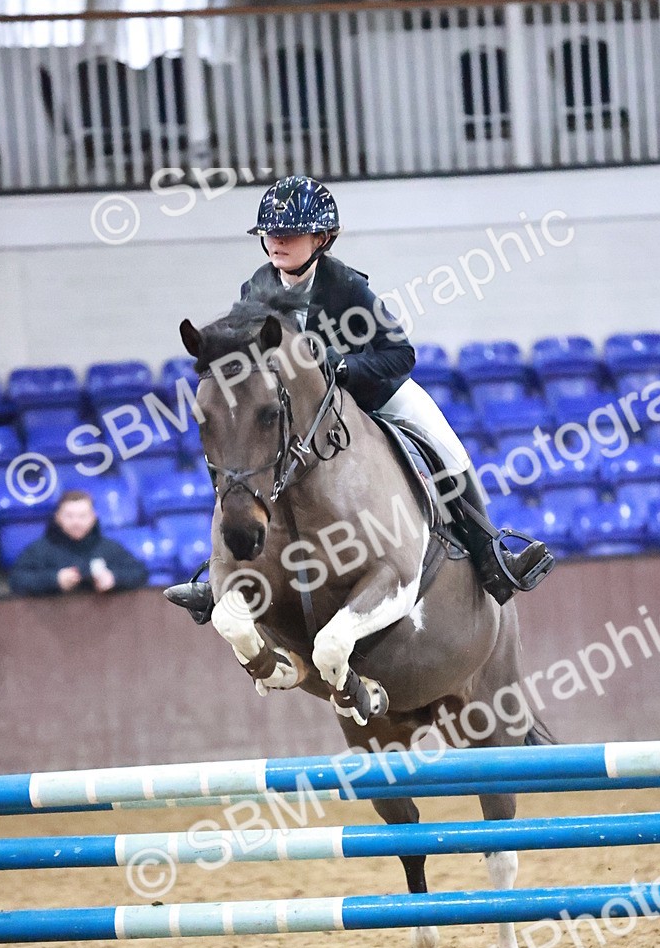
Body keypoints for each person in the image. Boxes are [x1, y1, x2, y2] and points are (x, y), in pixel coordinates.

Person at [165, 175, 554, 623]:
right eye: (270, 235)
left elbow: (399, 354)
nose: (276, 243)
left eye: (288, 235)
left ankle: (490, 554)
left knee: (447, 446)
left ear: (321, 237)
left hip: (370, 394)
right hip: (303, 416)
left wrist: (342, 366)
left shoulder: (347, 287)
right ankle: (218, 576)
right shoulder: (255, 288)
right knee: (240, 456)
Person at [9, 489, 148, 597]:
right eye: (69, 516)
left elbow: (140, 573)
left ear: (93, 517)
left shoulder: (110, 547)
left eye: (82, 516)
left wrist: (114, 579)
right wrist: (55, 580)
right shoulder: (38, 550)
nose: (76, 522)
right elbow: (17, 580)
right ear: (57, 518)